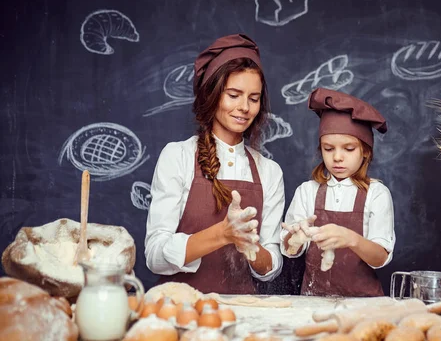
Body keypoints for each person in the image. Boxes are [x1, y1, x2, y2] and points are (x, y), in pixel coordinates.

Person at [145, 34, 285, 294]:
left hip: (243, 311)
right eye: (233, 95)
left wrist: (250, 247)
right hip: (180, 308)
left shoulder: (269, 172)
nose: (244, 107)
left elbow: (271, 268)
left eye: (253, 99)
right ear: (212, 94)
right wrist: (222, 234)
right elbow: (154, 256)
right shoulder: (177, 156)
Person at [280, 88, 395, 297]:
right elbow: (289, 249)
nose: (337, 157)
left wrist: (351, 239)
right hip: (312, 302)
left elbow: (380, 258)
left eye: (349, 149)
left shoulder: (376, 194)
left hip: (363, 304)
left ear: (365, 151)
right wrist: (294, 237)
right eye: (328, 148)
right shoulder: (307, 191)